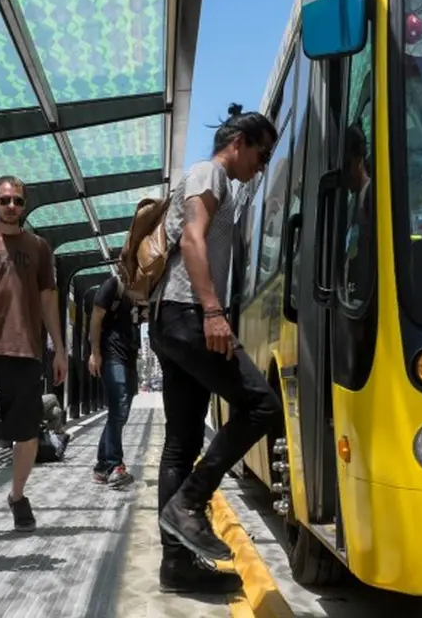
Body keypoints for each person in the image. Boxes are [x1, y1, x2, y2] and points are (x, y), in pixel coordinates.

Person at [149, 103, 282, 593]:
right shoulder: (210, 172)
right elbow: (191, 238)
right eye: (261, 154)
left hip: (172, 320)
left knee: (181, 444)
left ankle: (176, 568)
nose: (261, 166)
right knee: (261, 404)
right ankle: (189, 503)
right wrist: (212, 311)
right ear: (238, 143)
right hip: (187, 315)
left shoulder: (215, 178)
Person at [0, 175, 68, 547]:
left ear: (25, 205)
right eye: (4, 200)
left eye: (17, 202)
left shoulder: (38, 247)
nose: (10, 207)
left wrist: (60, 347)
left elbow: (48, 300)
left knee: (26, 436)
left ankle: (17, 495)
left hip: (26, 352)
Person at [89, 273, 140, 488]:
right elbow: (96, 318)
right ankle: (115, 465)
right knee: (118, 408)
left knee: (121, 412)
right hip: (111, 355)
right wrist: (95, 353)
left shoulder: (143, 291)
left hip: (129, 359)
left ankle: (102, 467)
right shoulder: (114, 284)